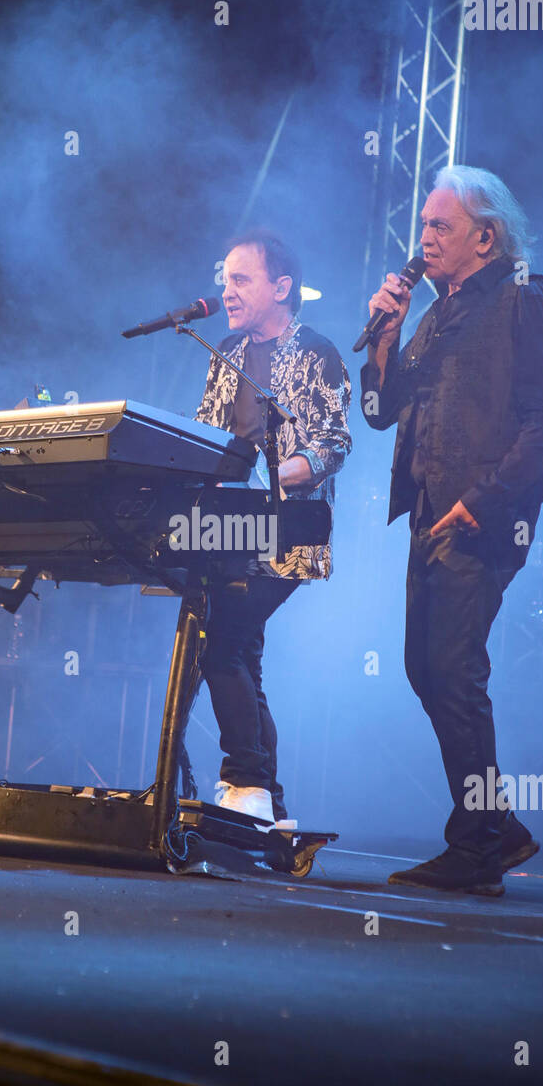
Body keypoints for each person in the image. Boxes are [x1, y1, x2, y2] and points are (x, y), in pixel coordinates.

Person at [361, 166, 543, 895]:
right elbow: (378, 410)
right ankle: (498, 830)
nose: (423, 240)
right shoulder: (432, 315)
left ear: (485, 237)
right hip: (429, 512)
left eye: (440, 227)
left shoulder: (527, 300)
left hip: (485, 518)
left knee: (454, 670)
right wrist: (384, 336)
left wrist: (484, 501)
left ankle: (481, 839)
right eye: (422, 226)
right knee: (425, 669)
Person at [195, 230, 351, 829]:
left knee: (222, 640)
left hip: (288, 531)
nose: (227, 291)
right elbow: (206, 436)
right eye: (224, 279)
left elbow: (333, 444)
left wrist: (269, 478)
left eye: (241, 279)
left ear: (281, 287)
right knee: (242, 657)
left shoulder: (316, 351)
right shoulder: (225, 352)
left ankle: (247, 780)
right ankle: (268, 807)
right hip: (224, 532)